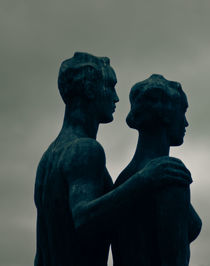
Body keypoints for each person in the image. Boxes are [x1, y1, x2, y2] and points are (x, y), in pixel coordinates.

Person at [34, 53, 192, 266]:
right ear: (90, 90)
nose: (116, 98)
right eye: (110, 87)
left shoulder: (51, 154)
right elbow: (83, 218)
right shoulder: (86, 149)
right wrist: (145, 179)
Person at [112, 74, 202, 266]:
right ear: (166, 114)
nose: (186, 123)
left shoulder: (124, 178)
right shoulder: (169, 175)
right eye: (182, 112)